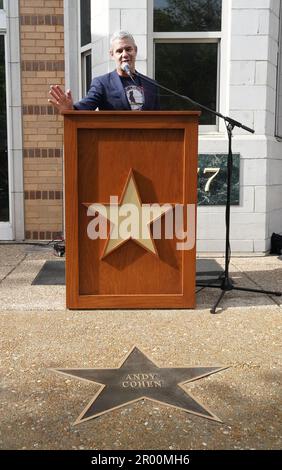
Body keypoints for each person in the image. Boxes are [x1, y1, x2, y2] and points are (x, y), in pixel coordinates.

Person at [48, 31, 160, 113]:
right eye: (119, 51)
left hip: (147, 143)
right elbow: (87, 105)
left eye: (128, 49)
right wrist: (71, 109)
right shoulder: (102, 83)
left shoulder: (151, 84)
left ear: (135, 51)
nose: (125, 54)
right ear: (112, 55)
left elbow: (160, 119)